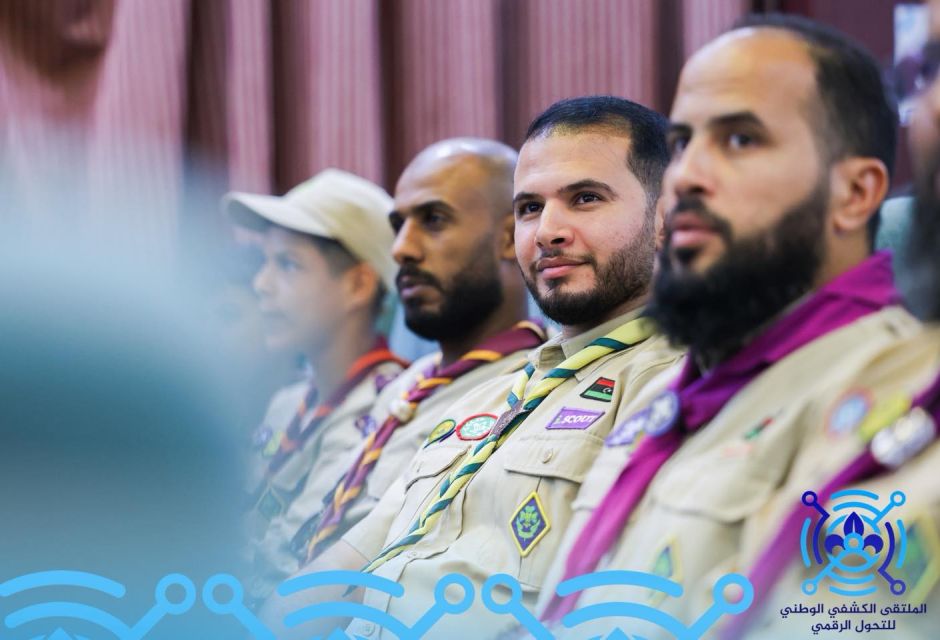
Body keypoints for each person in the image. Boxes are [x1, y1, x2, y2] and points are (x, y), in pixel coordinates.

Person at [536, 15, 933, 640]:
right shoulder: (670, 394)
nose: (685, 177)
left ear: (856, 194)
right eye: (682, 143)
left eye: (741, 140)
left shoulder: (896, 394)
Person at [263, 95, 683, 640]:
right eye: (530, 208)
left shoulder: (675, 386)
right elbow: (344, 568)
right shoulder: (490, 396)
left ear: (667, 216)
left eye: (585, 198)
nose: (547, 230)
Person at [279, 137, 547, 568]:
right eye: (398, 225)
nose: (401, 248)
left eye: (433, 220)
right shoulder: (407, 384)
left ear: (509, 238)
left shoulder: (533, 392)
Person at [224, 168, 409, 603]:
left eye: (288, 264)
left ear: (359, 284)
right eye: (265, 262)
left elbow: (285, 568)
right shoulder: (289, 401)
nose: (261, 284)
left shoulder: (392, 411)